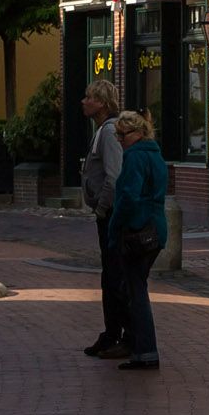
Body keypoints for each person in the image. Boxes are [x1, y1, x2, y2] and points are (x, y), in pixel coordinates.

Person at [105, 108, 171, 371]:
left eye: (123, 134)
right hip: (157, 229)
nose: (119, 140)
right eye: (117, 135)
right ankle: (142, 347)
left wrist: (114, 227)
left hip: (138, 231)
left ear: (138, 132)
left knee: (136, 292)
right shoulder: (156, 155)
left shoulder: (133, 157)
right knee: (136, 287)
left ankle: (144, 351)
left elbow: (128, 197)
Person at [78, 76, 128, 358]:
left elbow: (114, 175)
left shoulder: (108, 132)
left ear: (101, 103)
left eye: (89, 97)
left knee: (114, 276)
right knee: (110, 276)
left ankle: (116, 334)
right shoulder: (103, 130)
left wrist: (101, 208)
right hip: (106, 213)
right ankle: (111, 332)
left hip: (109, 216)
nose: (84, 101)